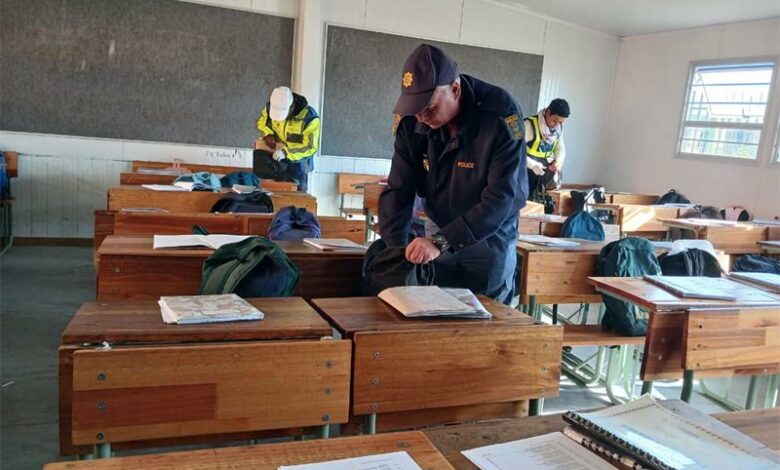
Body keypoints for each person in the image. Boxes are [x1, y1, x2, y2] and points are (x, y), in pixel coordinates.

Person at [379, 44, 528, 305]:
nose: (421, 117)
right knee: (431, 308)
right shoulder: (412, 120)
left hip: (489, 234)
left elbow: (500, 200)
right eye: (415, 108)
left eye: (429, 107)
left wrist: (440, 242)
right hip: (439, 223)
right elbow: (399, 189)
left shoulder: (500, 115)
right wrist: (395, 251)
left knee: (486, 314)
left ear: (455, 90)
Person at [254, 86, 320, 192]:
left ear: (292, 106)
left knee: (296, 198)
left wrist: (286, 152)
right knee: (269, 194)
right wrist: (268, 134)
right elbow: (261, 122)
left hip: (298, 166)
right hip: (274, 160)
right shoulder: (270, 108)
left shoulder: (309, 118)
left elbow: (310, 147)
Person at [524, 98, 570, 200]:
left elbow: (560, 147)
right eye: (555, 120)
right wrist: (532, 165)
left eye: (561, 122)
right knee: (524, 201)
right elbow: (515, 151)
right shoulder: (529, 124)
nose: (557, 125)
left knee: (542, 201)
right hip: (526, 169)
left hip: (544, 171)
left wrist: (559, 160)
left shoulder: (558, 128)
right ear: (548, 112)